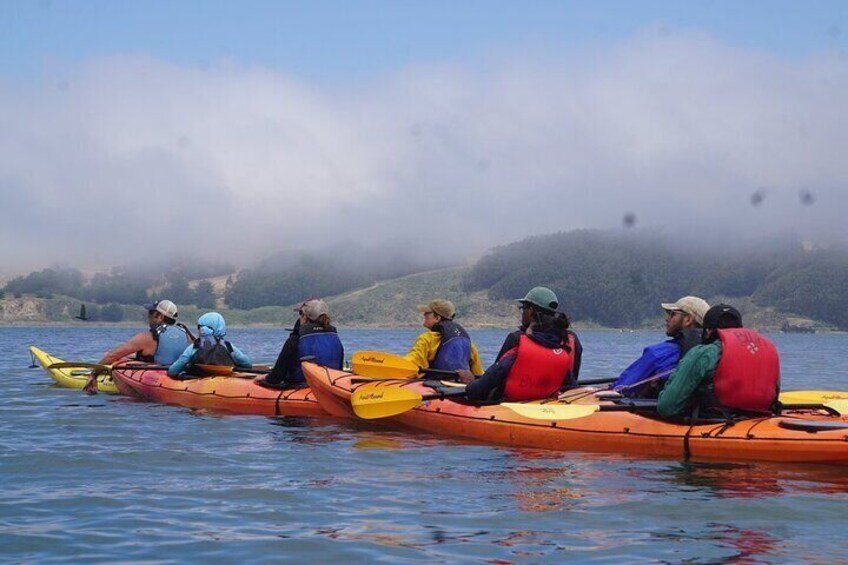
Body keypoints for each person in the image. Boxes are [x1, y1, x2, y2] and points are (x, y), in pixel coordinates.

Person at [657, 304, 780, 420]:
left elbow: (666, 407)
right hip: (759, 421)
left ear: (707, 331)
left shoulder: (704, 353)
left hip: (718, 422)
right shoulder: (768, 350)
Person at [460, 287, 582, 401]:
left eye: (523, 308)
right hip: (553, 405)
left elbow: (492, 380)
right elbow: (572, 385)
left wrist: (470, 384)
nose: (522, 312)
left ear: (531, 312)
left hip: (507, 406)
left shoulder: (517, 340)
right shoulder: (570, 341)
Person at [83, 299, 192, 393]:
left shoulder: (147, 337)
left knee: (116, 363)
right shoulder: (187, 334)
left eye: (150, 313)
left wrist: (94, 374)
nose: (148, 316)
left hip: (159, 381)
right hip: (182, 377)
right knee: (133, 357)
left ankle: (132, 399)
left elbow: (112, 356)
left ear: (160, 316)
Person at [612, 296, 709, 397]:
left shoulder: (659, 353)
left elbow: (620, 388)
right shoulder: (713, 353)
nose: (667, 319)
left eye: (673, 314)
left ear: (688, 320)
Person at [255, 298, 344, 387]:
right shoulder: (335, 338)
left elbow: (276, 378)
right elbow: (339, 370)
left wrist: (265, 378)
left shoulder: (295, 340)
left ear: (304, 316)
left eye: (300, 314)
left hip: (300, 388)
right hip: (328, 387)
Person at [404, 298, 483, 375]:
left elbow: (412, 364)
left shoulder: (427, 339)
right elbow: (478, 373)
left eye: (428, 313)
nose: (424, 314)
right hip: (459, 384)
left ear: (437, 318)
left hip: (434, 383)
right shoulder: (470, 345)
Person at [167, 312, 252, 377]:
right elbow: (247, 363)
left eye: (199, 327)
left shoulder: (195, 346)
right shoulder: (227, 345)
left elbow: (173, 370)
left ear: (202, 329)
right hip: (225, 379)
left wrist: (170, 372)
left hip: (199, 379)